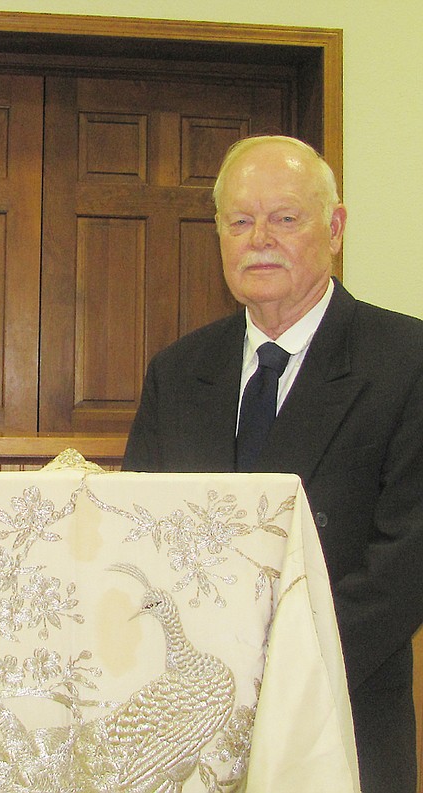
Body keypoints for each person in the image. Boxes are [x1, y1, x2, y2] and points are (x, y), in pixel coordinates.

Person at [123, 135, 423, 792]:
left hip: (339, 715)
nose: (260, 237)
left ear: (335, 228)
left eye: (285, 218)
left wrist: (274, 671)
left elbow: (404, 566)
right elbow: (136, 539)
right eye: (239, 220)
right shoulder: (175, 373)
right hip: (188, 729)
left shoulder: (406, 360)